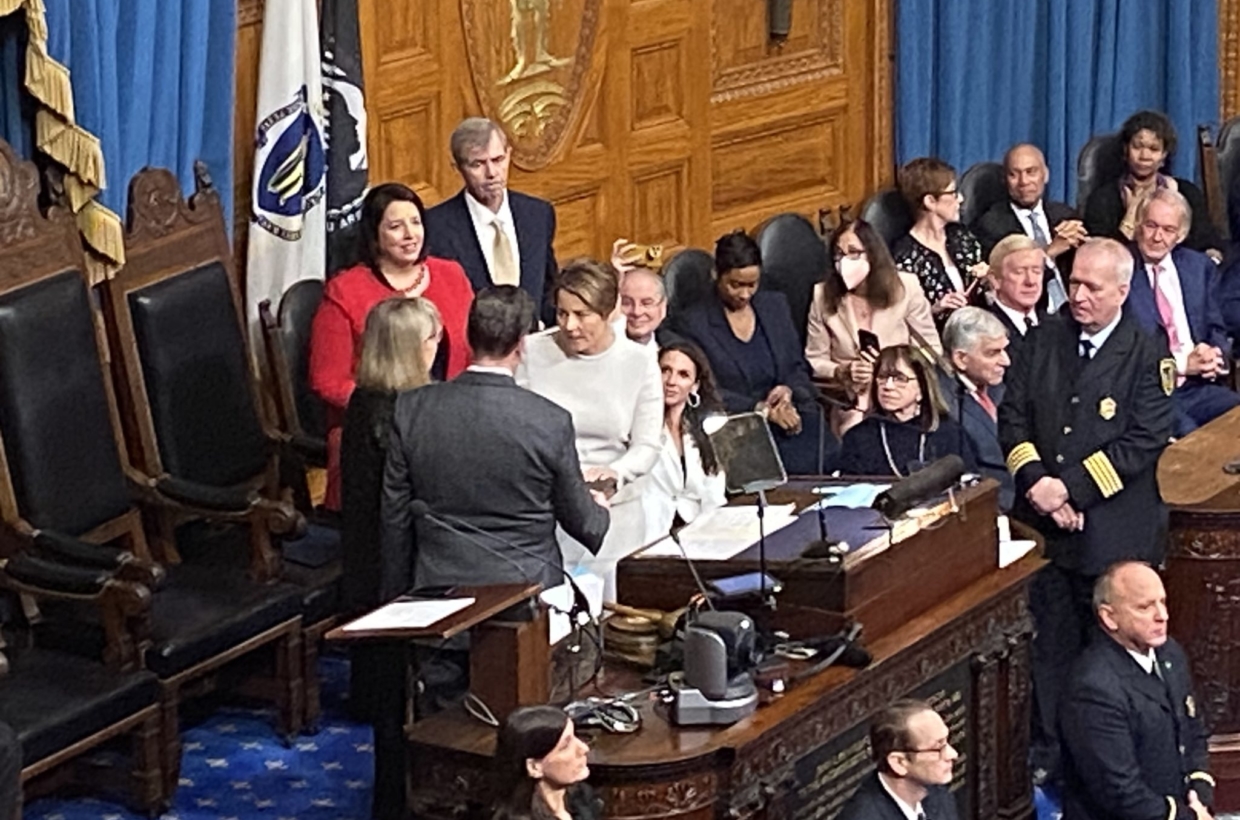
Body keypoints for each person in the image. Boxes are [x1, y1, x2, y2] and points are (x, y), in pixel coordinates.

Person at [998, 238, 1174, 785]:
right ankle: (1053, 758)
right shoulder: (1044, 337)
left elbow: (1142, 440)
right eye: (1072, 283)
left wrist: (1069, 490)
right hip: (1046, 532)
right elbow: (1013, 419)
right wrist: (1036, 485)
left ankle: (1116, 765)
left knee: (1111, 658)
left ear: (1122, 291)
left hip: (1113, 534)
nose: (1077, 295)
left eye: (1091, 288)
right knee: (1050, 651)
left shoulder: (1148, 354)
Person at [380, 285, 610, 600]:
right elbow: (586, 525)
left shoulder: (411, 409)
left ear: (466, 338)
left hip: (438, 596)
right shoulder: (549, 421)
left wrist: (395, 601)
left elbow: (394, 519)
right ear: (521, 345)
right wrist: (600, 506)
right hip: (526, 599)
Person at [310, 183, 474, 509]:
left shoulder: (451, 274)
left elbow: (472, 349)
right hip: (377, 431)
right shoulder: (345, 292)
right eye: (395, 226)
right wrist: (391, 410)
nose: (410, 234)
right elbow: (327, 381)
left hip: (452, 416)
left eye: (415, 222)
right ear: (375, 236)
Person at [517, 259, 662, 601]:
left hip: (615, 516)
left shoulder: (638, 363)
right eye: (562, 313)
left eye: (582, 315)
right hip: (548, 514)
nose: (570, 325)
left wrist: (615, 472)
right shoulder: (533, 351)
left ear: (608, 310)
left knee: (613, 620)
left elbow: (647, 445)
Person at [1059, 562, 1214, 820]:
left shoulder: (1170, 653)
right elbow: (1120, 791)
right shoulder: (1093, 688)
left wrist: (1201, 791)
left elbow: (1193, 730)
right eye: (1145, 607)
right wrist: (1188, 817)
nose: (1162, 615)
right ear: (1109, 617)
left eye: (1162, 602)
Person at [671, 230, 830, 475]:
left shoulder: (774, 305)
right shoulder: (694, 323)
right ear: (716, 275)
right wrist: (760, 410)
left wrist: (787, 390)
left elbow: (796, 366)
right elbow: (703, 390)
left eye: (752, 285)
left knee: (832, 459)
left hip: (791, 417)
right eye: (735, 285)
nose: (745, 294)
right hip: (738, 431)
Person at [340, 297, 441, 616]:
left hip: (367, 546)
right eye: (433, 337)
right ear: (410, 349)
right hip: (395, 560)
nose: (438, 345)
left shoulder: (364, 396)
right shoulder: (403, 413)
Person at [804, 218, 940, 432]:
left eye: (853, 253)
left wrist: (893, 365)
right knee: (854, 429)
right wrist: (844, 371)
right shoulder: (822, 295)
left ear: (873, 256)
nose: (844, 262)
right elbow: (815, 360)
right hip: (852, 398)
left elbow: (931, 350)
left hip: (898, 392)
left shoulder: (906, 287)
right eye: (839, 254)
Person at [1124, 188, 1238, 436]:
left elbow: (1216, 327)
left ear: (1181, 234)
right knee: (1192, 438)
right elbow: (1122, 351)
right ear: (1138, 226)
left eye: (1168, 230)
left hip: (1198, 387)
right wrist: (1182, 365)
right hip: (1149, 394)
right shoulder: (1121, 271)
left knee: (1235, 416)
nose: (1157, 237)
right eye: (1151, 226)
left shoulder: (1198, 267)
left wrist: (1214, 354)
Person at [425, 118, 558, 324]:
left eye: (498, 160)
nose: (492, 173)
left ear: (509, 155)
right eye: (477, 164)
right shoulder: (435, 227)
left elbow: (549, 291)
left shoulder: (538, 214)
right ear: (457, 167)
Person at [1084, 110, 1222, 258]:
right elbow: (1100, 258)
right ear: (1126, 150)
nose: (1144, 156)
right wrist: (1131, 217)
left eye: (1154, 149)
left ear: (1164, 155)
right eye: (1137, 147)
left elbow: (1209, 245)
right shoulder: (1102, 200)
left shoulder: (1187, 193)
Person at [633, 341, 728, 543]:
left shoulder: (709, 428)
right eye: (665, 370)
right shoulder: (634, 423)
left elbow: (714, 495)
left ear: (695, 386)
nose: (671, 381)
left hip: (698, 535)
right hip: (646, 534)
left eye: (683, 375)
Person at [971, 143, 1085, 311]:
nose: (1023, 182)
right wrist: (1049, 253)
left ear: (1045, 175)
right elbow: (1006, 283)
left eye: (1031, 172)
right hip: (1031, 313)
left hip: (1074, 310)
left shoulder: (1064, 214)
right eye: (1013, 175)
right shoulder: (991, 225)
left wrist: (1084, 244)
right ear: (1004, 180)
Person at [837, 345, 976, 477]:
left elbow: (970, 484)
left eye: (900, 379)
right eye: (882, 377)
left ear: (922, 388)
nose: (888, 386)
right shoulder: (860, 436)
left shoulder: (947, 431)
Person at [891, 157, 987, 321]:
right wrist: (936, 308)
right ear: (930, 201)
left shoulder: (961, 236)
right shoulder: (905, 256)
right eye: (953, 193)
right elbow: (902, 316)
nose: (961, 199)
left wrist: (988, 279)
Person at [836, 699, 961, 820]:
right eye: (937, 749)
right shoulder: (863, 816)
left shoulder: (936, 791)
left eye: (946, 741)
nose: (953, 754)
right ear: (899, 763)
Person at [941, 308, 1014, 510]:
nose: (1006, 361)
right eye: (993, 353)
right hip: (990, 507)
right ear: (961, 359)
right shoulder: (943, 402)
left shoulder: (1002, 386)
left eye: (1004, 350)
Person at [492, 705, 600, 820]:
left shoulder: (582, 797)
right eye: (565, 746)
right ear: (534, 767)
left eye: (575, 736)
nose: (583, 748)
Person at [985, 235, 1051, 361]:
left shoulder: (1057, 328)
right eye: (1019, 272)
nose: (1030, 281)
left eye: (1037, 271)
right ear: (995, 280)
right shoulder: (985, 333)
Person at [618, 267, 672, 348]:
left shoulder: (673, 353)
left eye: (646, 303)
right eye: (626, 303)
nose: (637, 312)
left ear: (663, 307)